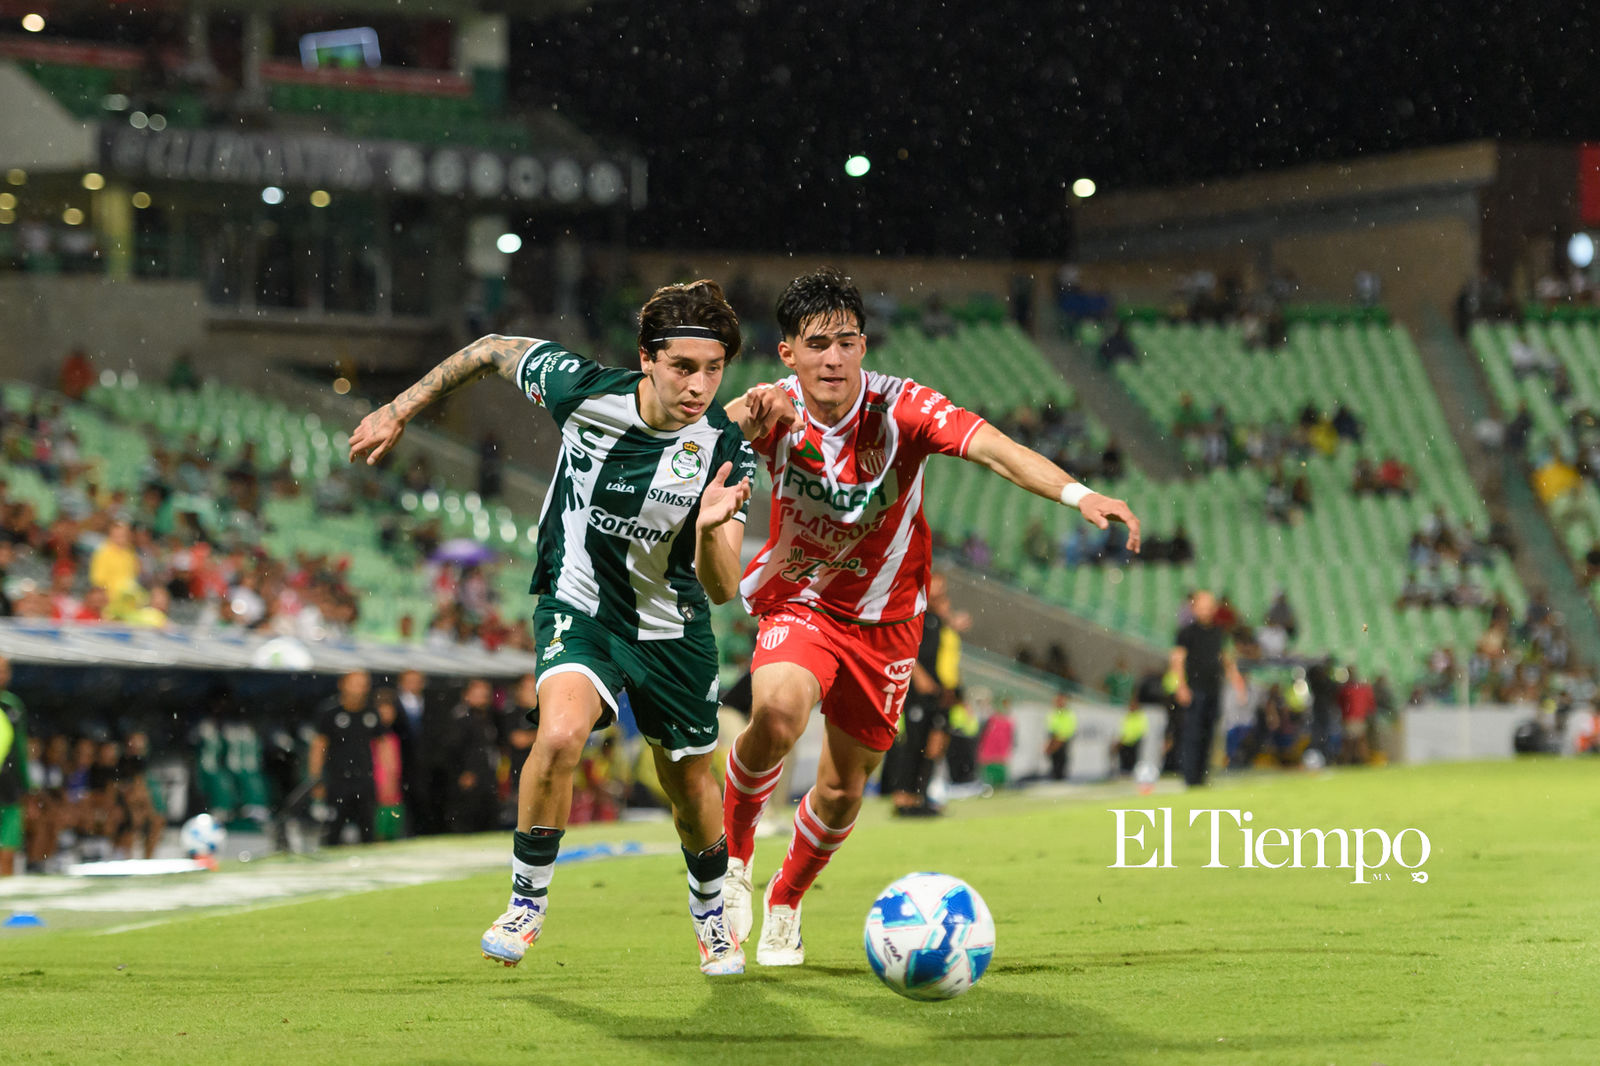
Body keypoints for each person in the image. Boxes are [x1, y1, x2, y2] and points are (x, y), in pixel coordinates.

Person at [719, 268, 1141, 964]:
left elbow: (996, 450)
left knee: (840, 788)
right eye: (817, 343)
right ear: (788, 352)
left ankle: (786, 900)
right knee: (778, 712)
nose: (834, 358)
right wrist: (738, 419)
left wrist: (1078, 494)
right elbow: (693, 439)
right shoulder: (768, 411)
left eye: (847, 341)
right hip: (801, 602)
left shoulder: (904, 407)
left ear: (864, 345)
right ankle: (731, 868)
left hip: (886, 623)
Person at [349, 279, 770, 976]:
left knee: (691, 787)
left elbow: (724, 590)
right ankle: (526, 902)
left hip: (674, 628)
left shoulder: (725, 448)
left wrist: (711, 528)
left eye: (713, 369)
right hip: (580, 608)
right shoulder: (581, 390)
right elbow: (489, 350)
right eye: (683, 367)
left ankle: (708, 914)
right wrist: (399, 408)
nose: (699, 385)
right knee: (561, 733)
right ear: (647, 359)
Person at [1170, 590, 1245, 787]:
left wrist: (1238, 683)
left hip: (1213, 688)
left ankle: (1202, 776)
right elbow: (1177, 661)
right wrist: (1181, 686)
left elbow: (1227, 659)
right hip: (1195, 689)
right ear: (1194, 609)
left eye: (1209, 606)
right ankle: (1190, 777)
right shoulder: (1185, 633)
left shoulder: (1219, 632)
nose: (1206, 610)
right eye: (1202, 606)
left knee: (1209, 733)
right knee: (1192, 733)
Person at [308, 669, 380, 846]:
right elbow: (319, 746)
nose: (360, 688)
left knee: (368, 829)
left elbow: (383, 747)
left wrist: (386, 779)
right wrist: (315, 779)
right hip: (338, 780)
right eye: (355, 683)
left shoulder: (372, 713)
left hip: (365, 779)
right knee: (333, 829)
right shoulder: (330, 712)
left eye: (363, 684)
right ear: (342, 684)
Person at [0, 655, 27, 876]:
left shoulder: (12, 705)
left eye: (4, 670)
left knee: (7, 853)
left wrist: (26, 785)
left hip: (8, 788)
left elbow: (20, 749)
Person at [1045, 691, 1077, 781]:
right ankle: (1055, 777)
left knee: (1062, 761)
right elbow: (1050, 727)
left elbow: (1070, 728)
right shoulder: (1053, 713)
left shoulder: (1069, 713)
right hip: (1054, 739)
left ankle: (1061, 777)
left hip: (1063, 740)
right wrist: (1052, 739)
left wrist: (1060, 738)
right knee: (1054, 761)